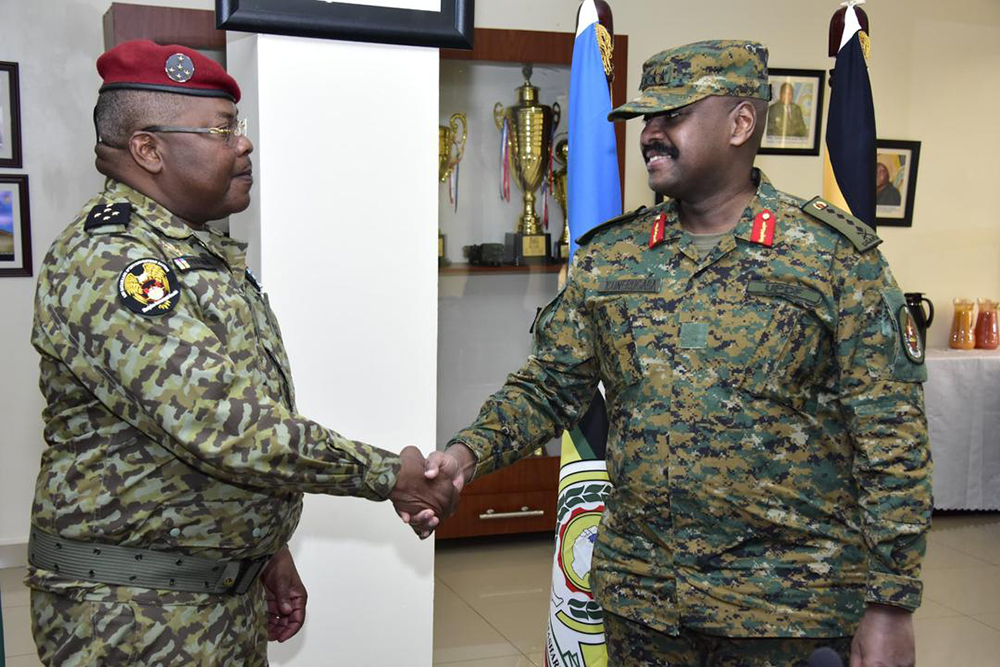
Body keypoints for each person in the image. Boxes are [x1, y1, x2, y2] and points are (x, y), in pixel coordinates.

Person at [427, 40, 931, 667]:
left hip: (785, 610)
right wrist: (463, 455)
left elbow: (893, 443)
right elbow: (549, 384)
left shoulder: (832, 258)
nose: (650, 135)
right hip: (644, 603)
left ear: (742, 124)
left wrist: (889, 606)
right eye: (646, 119)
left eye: (673, 116)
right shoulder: (613, 256)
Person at [27, 40, 456, 666]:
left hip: (204, 598)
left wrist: (264, 552)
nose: (244, 145)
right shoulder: (114, 259)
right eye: (223, 130)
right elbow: (221, 424)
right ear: (147, 149)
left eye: (239, 128)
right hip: (130, 616)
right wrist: (390, 474)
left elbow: (201, 447)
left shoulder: (191, 252)